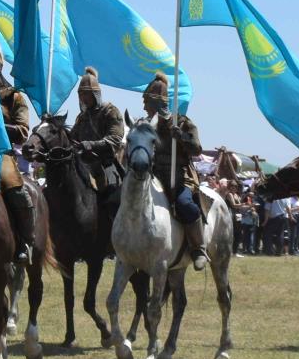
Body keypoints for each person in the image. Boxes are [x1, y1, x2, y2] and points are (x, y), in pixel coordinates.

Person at [0, 41, 39, 267]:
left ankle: (25, 241)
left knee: (17, 192)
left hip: (1, 154)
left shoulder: (14, 97)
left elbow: (23, 132)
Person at [140, 74, 208, 270]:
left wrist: (181, 137)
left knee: (184, 204)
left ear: (157, 102)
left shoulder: (182, 122)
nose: (144, 107)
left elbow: (196, 149)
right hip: (154, 177)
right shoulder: (145, 125)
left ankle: (198, 248)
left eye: (147, 102)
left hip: (180, 176)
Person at [70, 68, 128, 196]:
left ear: (95, 94)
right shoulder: (82, 117)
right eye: (82, 94)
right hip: (83, 163)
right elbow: (71, 138)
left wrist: (92, 144)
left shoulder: (110, 111)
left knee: (112, 195)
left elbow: (114, 138)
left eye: (87, 94)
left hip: (105, 163)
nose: (84, 98)